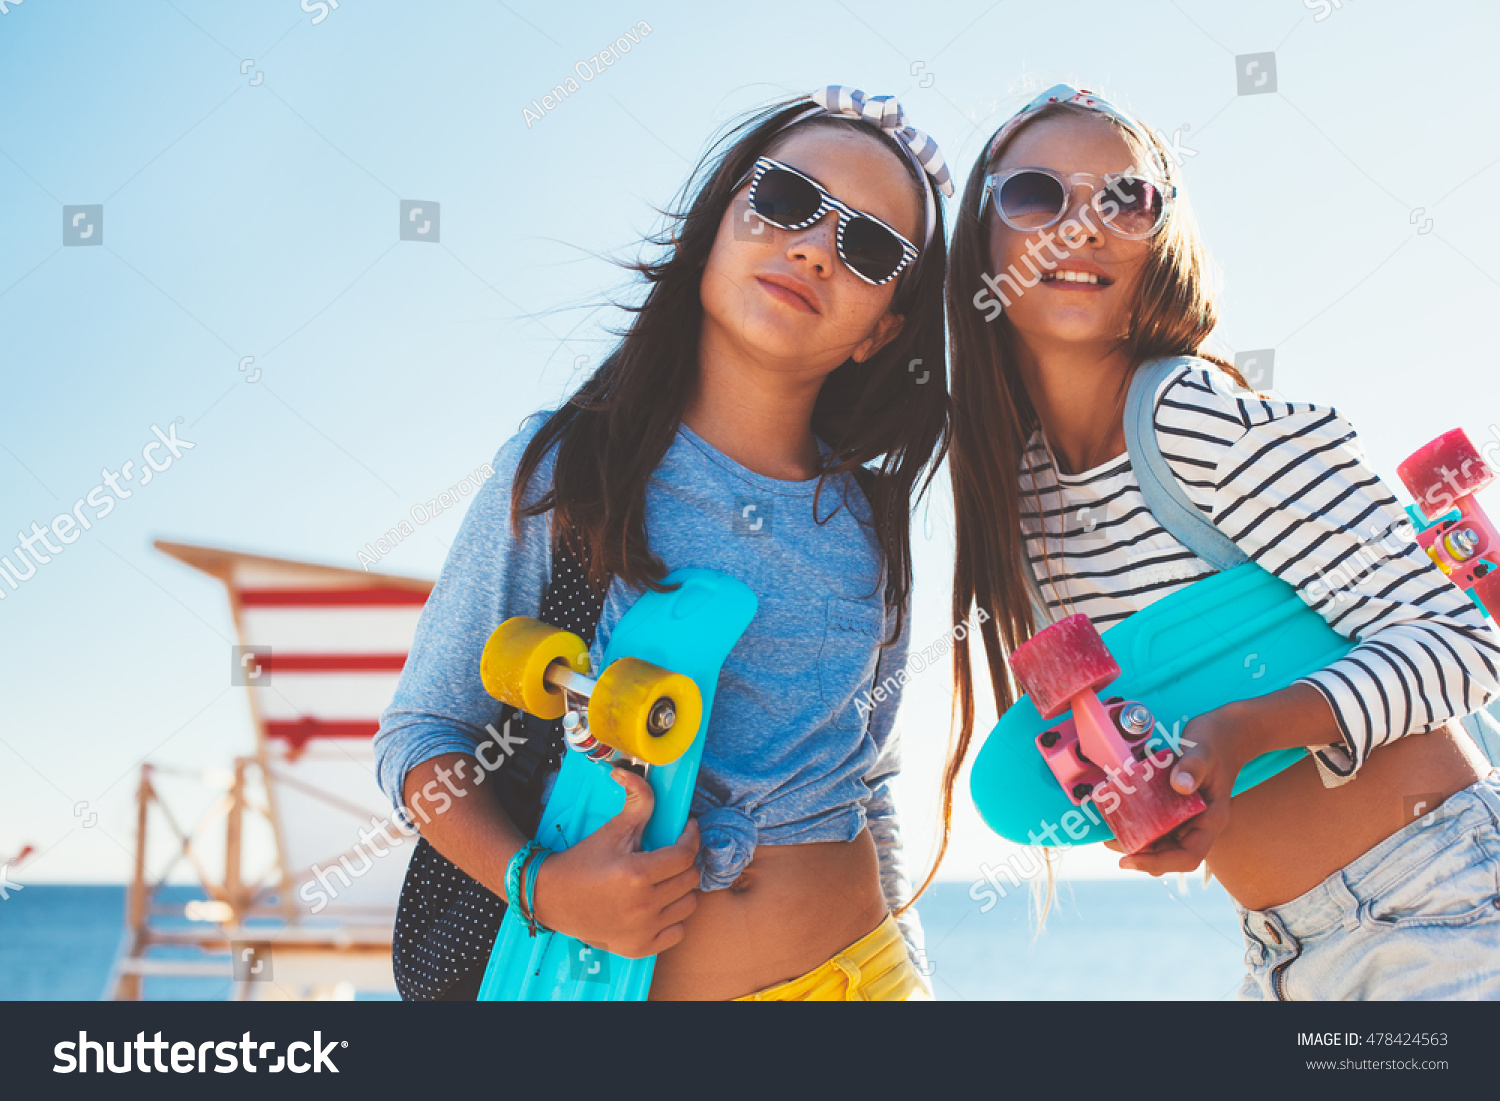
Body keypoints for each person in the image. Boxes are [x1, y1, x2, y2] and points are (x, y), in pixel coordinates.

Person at [374, 86, 953, 1000]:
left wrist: (914, 978)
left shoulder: (874, 525)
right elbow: (424, 737)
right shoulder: (569, 469)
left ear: (882, 332)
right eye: (788, 199)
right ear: (713, 224)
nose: (812, 247)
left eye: (871, 246)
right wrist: (544, 889)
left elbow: (867, 778)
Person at [937, 83, 1500, 999]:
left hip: (1442, 903)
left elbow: (1460, 641)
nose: (1082, 225)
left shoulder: (1194, 417)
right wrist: (1163, 804)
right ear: (984, 241)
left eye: (1125, 199)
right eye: (1037, 195)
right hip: (1281, 951)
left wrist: (1241, 733)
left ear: (1160, 240)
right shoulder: (1020, 494)